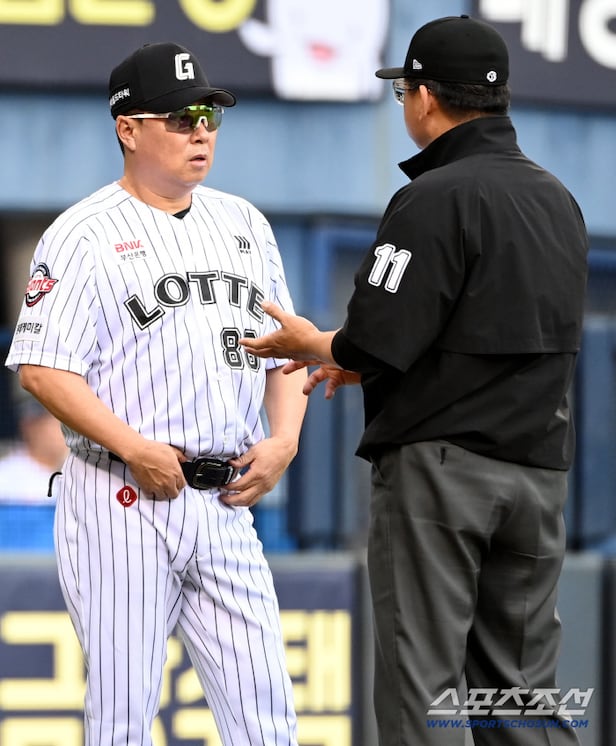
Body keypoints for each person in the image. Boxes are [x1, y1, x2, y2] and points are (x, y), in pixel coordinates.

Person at [240, 15, 588, 746]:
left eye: (405, 90)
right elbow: (484, 328)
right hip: (538, 475)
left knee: (422, 689)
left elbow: (374, 338)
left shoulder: (434, 194)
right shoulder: (557, 199)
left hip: (444, 474)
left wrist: (314, 343)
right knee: (520, 697)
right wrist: (360, 356)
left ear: (425, 96)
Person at [5, 41, 307, 746]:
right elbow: (42, 368)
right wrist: (134, 447)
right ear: (128, 129)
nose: (200, 131)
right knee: (122, 717)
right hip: (122, 496)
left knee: (268, 718)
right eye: (179, 117)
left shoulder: (244, 224)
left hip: (227, 498)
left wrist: (286, 440)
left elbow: (287, 349)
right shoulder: (82, 234)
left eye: (208, 116)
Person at [0, 393, 67, 503]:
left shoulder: (75, 472)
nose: (63, 433)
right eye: (54, 423)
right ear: (29, 427)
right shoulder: (6, 476)